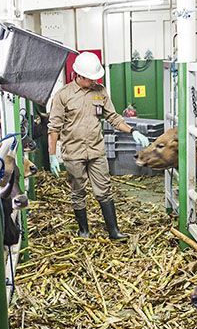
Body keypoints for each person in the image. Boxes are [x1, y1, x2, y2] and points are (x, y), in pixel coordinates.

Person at [47, 52, 150, 240]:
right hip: (73, 152)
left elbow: (113, 116)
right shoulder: (63, 96)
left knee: (104, 189)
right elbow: (54, 127)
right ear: (79, 75)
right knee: (78, 191)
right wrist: (52, 154)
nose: (94, 81)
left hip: (96, 150)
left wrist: (131, 131)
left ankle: (113, 231)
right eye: (91, 78)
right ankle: (84, 231)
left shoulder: (100, 91)